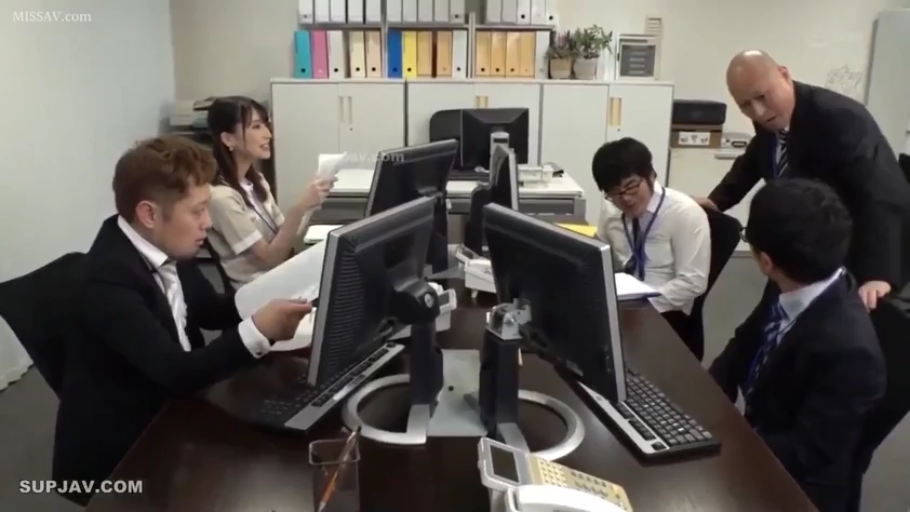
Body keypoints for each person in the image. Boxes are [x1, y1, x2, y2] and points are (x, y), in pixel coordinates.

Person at [52, 135, 313, 505]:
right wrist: (260, 330)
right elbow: (177, 372)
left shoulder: (162, 242)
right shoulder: (106, 281)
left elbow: (209, 309)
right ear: (149, 214)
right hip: (125, 450)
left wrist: (285, 291)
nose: (207, 223)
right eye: (198, 211)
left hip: (175, 408)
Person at [709, 179, 885, 512]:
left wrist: (723, 446)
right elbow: (743, 343)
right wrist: (705, 399)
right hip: (757, 442)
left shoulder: (850, 352)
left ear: (766, 262)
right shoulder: (793, 281)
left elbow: (807, 451)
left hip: (796, 488)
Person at [696, 50, 910, 311]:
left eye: (762, 97)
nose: (758, 112)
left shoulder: (841, 118)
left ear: (784, 75)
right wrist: (716, 201)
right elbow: (755, 157)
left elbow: (879, 193)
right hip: (799, 250)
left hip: (851, 250)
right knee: (771, 321)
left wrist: (879, 273)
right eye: (746, 105)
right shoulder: (771, 116)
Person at [592, 138, 711, 359]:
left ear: (651, 176)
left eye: (631, 186)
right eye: (615, 192)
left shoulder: (684, 213)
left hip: (667, 313)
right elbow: (598, 254)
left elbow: (693, 282)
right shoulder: (611, 210)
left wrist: (639, 307)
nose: (626, 198)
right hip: (623, 304)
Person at [205, 96, 335, 289]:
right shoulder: (221, 198)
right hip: (258, 290)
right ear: (228, 138)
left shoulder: (255, 181)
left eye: (266, 125)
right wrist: (298, 208)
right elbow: (272, 259)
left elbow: (285, 239)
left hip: (282, 276)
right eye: (256, 127)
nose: (268, 134)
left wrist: (310, 203)